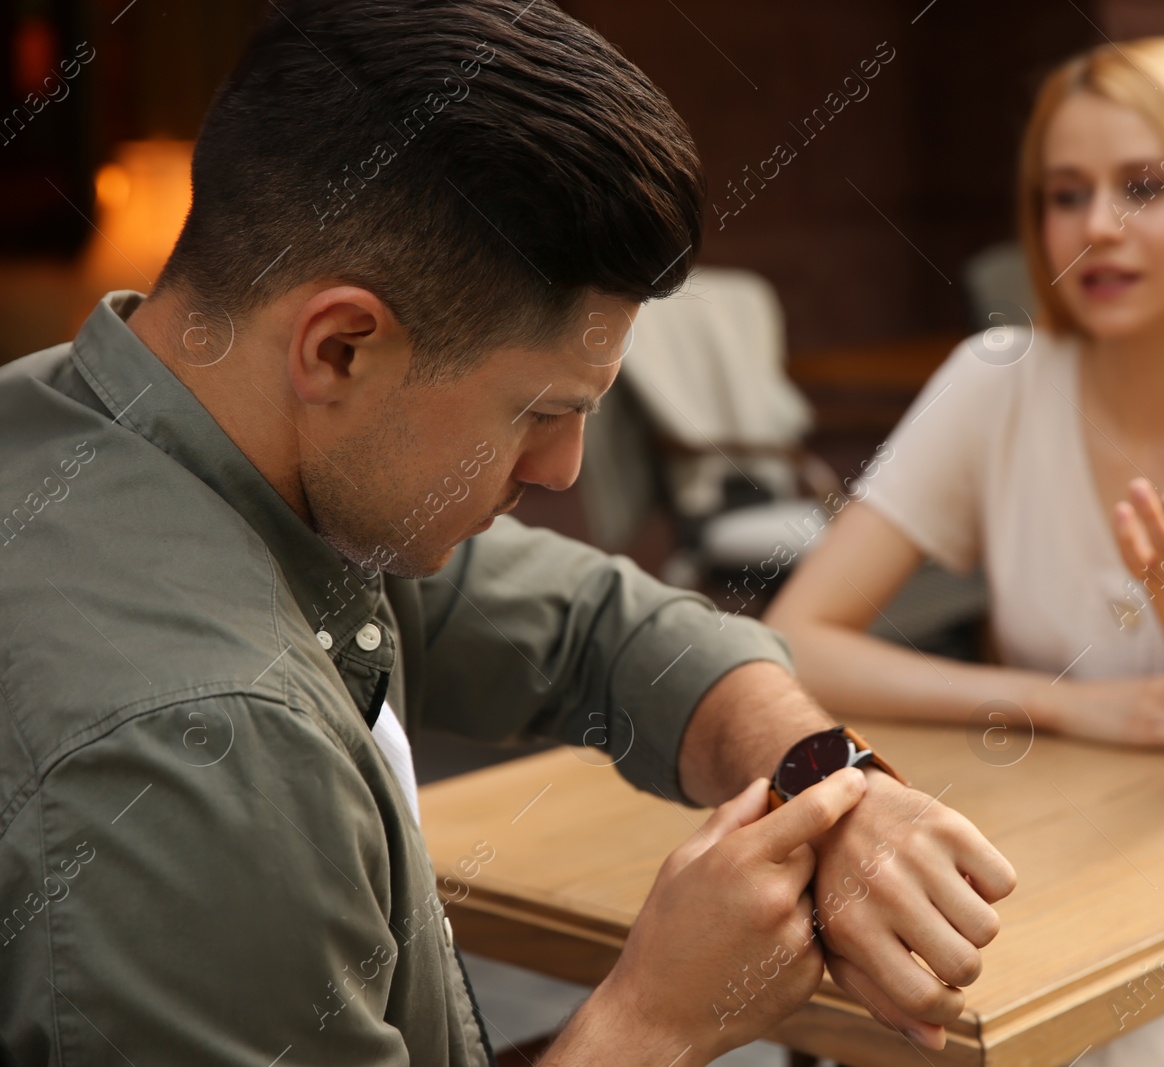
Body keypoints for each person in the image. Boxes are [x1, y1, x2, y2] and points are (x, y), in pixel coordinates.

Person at [0, 3, 1016, 1064]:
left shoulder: (130, 434)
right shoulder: (203, 749)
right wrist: (654, 1018)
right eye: (540, 412)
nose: (564, 468)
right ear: (341, 347)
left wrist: (829, 782)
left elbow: (598, 624)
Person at [765, 36, 1164, 1067]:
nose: (1096, 226)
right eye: (1066, 194)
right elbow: (797, 639)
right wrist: (1062, 702)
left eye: (1145, 186)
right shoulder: (999, 376)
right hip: (1050, 868)